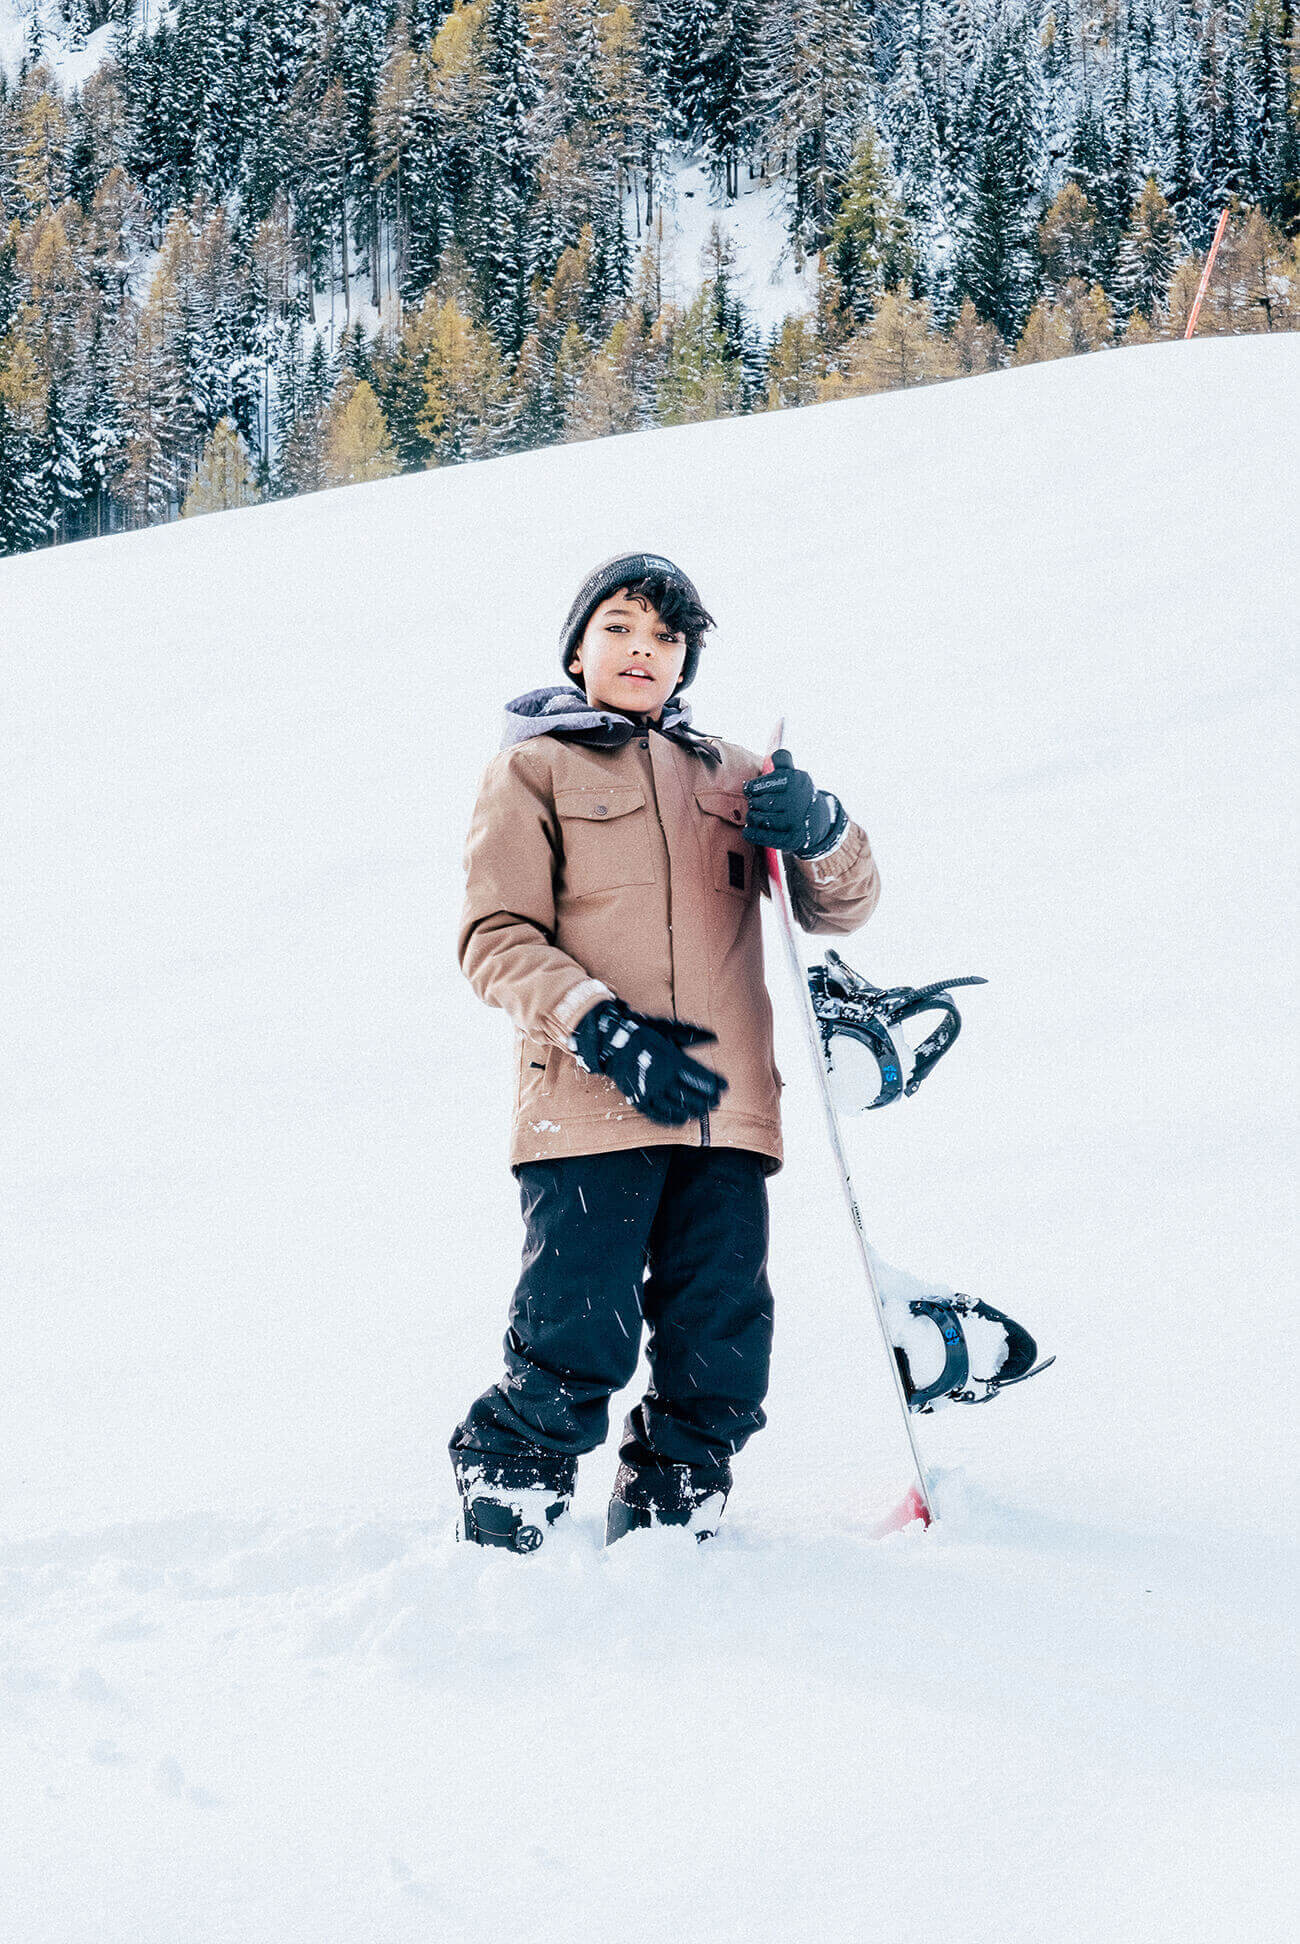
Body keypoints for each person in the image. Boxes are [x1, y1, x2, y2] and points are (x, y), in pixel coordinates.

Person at [448, 552, 881, 1551]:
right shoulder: (533, 766)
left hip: (725, 1112)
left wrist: (820, 829)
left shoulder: (733, 775)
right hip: (589, 1102)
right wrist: (602, 1027)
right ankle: (511, 1486)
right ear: (577, 646)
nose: (642, 653)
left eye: (665, 639)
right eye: (621, 631)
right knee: (576, 1326)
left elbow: (841, 907)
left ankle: (677, 1500)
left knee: (721, 1340)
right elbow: (494, 934)